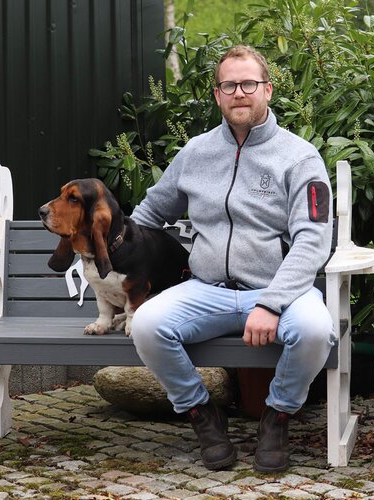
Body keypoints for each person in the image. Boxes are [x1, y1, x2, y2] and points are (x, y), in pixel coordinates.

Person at [130, 45, 334, 473]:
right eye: (229, 85)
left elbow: (313, 241)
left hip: (280, 292)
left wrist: (271, 303)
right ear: (217, 94)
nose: (239, 93)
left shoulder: (300, 157)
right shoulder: (195, 153)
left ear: (267, 90)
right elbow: (149, 215)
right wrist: (115, 255)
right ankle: (202, 414)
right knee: (147, 325)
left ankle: (277, 417)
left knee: (316, 331)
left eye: (248, 84)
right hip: (206, 290)